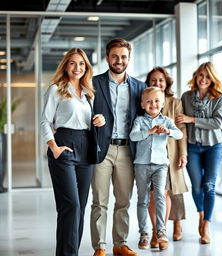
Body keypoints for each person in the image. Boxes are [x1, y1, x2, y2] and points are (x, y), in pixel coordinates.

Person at [41, 48, 105, 256]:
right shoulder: (56, 89)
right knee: (71, 205)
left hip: (85, 147)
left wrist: (100, 120)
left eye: (82, 64)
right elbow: (45, 121)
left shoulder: (88, 93)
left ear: (86, 67)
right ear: (66, 66)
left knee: (79, 208)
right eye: (73, 63)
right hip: (64, 146)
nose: (77, 68)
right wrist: (54, 147)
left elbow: (89, 122)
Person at [90, 38, 146, 256]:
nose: (119, 60)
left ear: (129, 59)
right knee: (99, 201)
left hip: (127, 151)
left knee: (123, 201)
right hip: (101, 150)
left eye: (123, 56)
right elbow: (83, 113)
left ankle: (119, 244)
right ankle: (100, 247)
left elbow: (146, 117)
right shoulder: (93, 83)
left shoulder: (139, 88)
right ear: (107, 58)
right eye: (115, 56)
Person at [176, 61, 222, 244]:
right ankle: (201, 213)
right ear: (196, 76)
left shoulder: (220, 97)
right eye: (200, 75)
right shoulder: (186, 97)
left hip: (214, 146)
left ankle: (206, 224)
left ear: (212, 79)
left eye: (207, 76)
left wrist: (192, 119)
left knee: (209, 185)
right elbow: (180, 120)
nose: (203, 79)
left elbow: (217, 123)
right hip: (193, 147)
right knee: (197, 186)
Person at [129, 87, 183, 250]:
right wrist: (150, 131)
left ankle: (161, 231)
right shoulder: (139, 120)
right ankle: (144, 233)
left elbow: (179, 134)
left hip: (161, 165)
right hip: (142, 165)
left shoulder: (166, 120)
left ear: (163, 104)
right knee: (142, 199)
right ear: (143, 104)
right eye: (149, 101)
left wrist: (168, 131)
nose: (153, 104)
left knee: (160, 195)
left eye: (157, 101)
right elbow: (133, 136)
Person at [145, 67, 188, 246]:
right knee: (154, 194)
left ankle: (175, 224)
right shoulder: (145, 100)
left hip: (171, 153)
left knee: (172, 192)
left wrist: (183, 153)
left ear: (166, 82)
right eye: (154, 80)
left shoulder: (175, 102)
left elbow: (182, 130)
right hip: (150, 155)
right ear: (148, 83)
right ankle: (156, 231)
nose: (158, 83)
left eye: (161, 80)